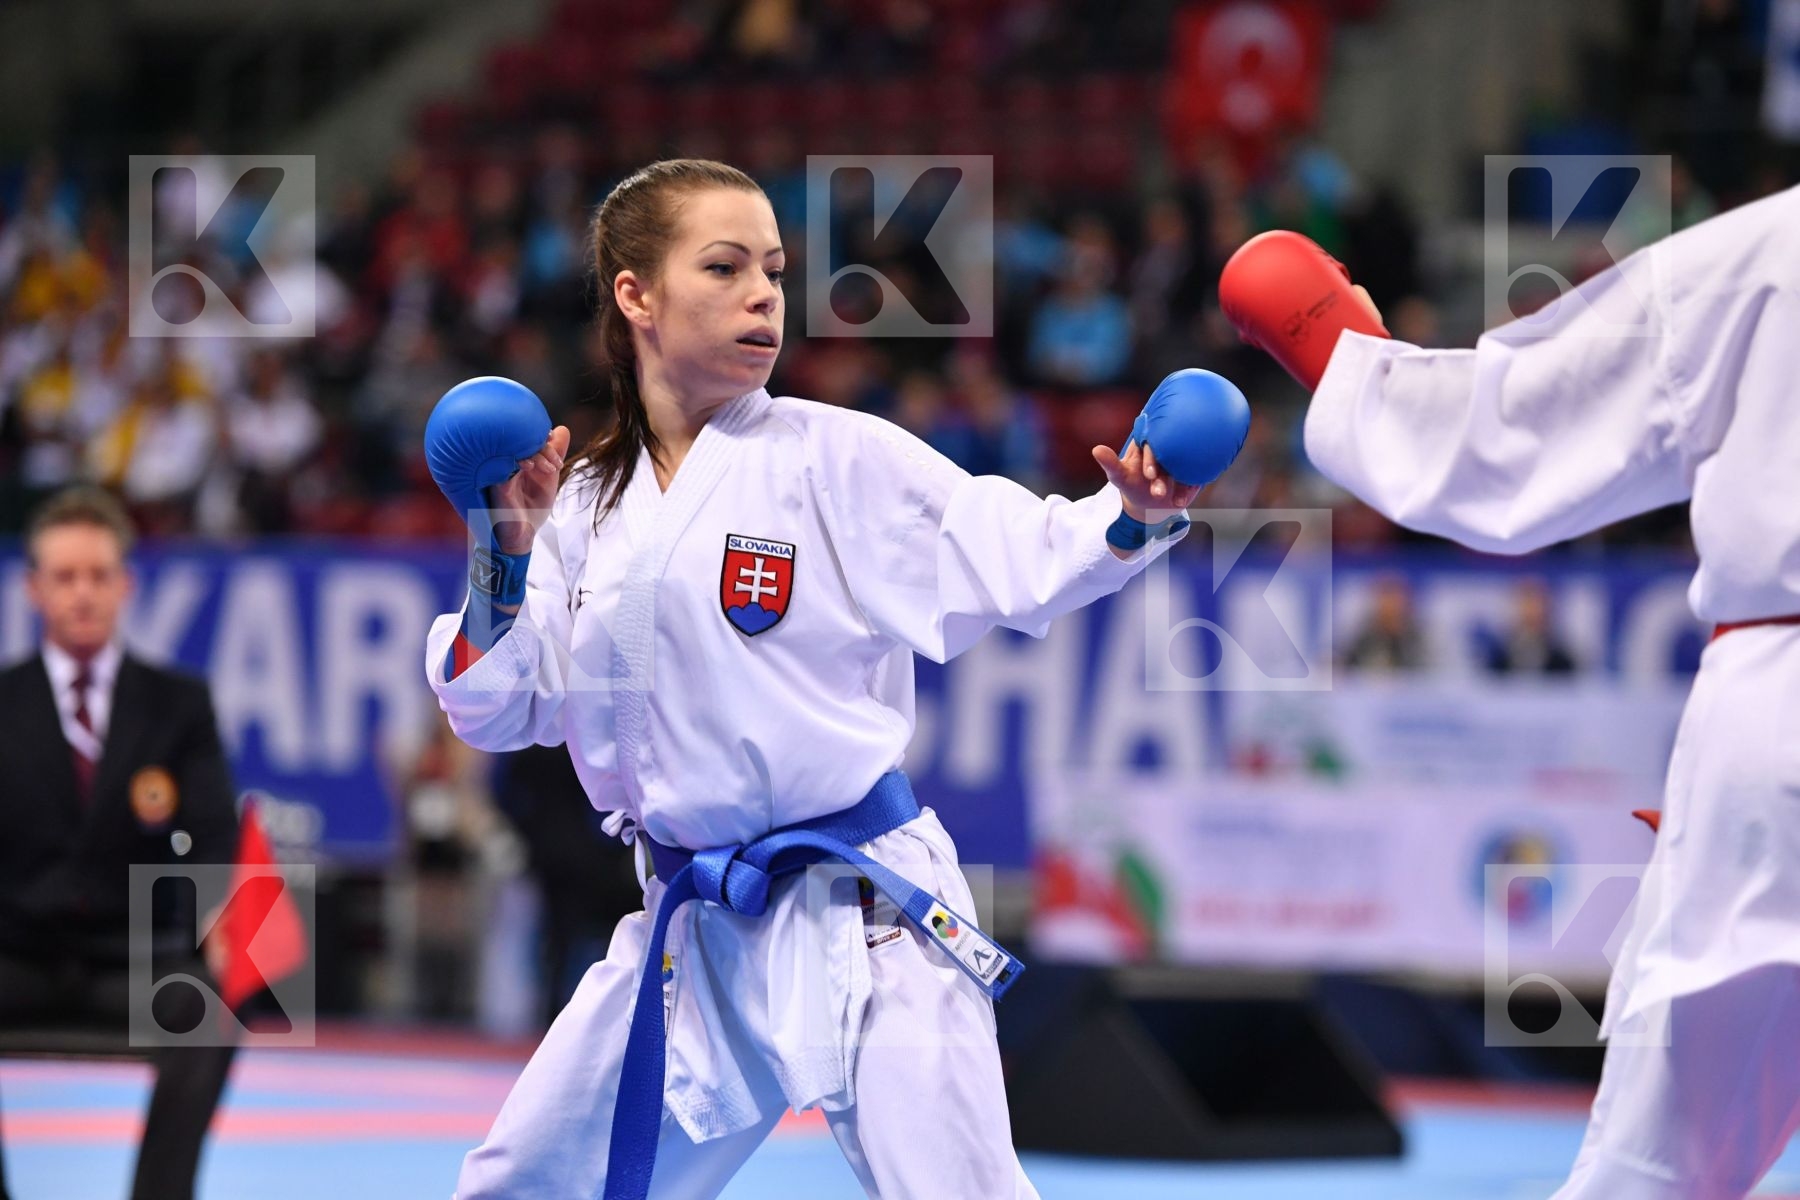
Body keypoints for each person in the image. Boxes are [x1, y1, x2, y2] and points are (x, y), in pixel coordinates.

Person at [425, 159, 1205, 1199]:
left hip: (867, 914)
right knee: (522, 1185)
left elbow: (1014, 552)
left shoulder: (832, 458)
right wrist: (502, 553)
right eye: (725, 267)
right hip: (691, 926)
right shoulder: (578, 504)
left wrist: (1129, 516)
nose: (763, 295)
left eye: (774, 271)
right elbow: (501, 711)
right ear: (636, 295)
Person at [1223, 187, 1800, 1199]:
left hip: (1775, 721)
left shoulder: (1772, 253)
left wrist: (1345, 355)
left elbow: (1517, 432)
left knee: (1660, 1170)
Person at [0, 486, 240, 1200]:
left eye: (98, 575)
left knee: (210, 1011)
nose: (82, 593)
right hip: (13, 954)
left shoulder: (178, 704)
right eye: (65, 577)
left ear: (125, 584)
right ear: (34, 588)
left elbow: (214, 831)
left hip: (135, 960)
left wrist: (215, 915)